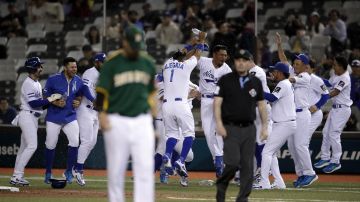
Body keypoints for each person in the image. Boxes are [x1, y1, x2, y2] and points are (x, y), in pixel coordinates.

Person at [95, 26, 157, 202]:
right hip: (117, 120)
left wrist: (153, 121)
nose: (136, 49)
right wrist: (102, 115)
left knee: (145, 168)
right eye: (132, 45)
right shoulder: (112, 63)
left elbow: (153, 93)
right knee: (116, 170)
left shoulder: (147, 62)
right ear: (124, 43)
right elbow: (101, 93)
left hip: (142, 120)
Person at [214, 50, 268, 202]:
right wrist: (218, 123)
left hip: (250, 128)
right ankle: (222, 185)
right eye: (238, 60)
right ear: (234, 62)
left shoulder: (255, 82)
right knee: (231, 163)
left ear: (249, 63)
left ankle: (242, 198)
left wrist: (264, 126)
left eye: (244, 60)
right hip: (230, 128)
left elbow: (262, 105)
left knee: (247, 166)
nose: (241, 63)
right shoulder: (225, 80)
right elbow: (217, 103)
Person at [9, 57, 61, 186]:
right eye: (39, 66)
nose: (41, 68)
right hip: (27, 116)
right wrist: (50, 99)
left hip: (33, 117)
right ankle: (17, 175)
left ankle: (16, 176)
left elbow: (40, 105)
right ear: (33, 68)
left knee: (23, 148)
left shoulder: (37, 83)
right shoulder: (28, 83)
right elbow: (33, 103)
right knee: (32, 145)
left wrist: (52, 102)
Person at [161, 32, 206, 180]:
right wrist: (201, 40)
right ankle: (180, 161)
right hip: (181, 104)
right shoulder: (186, 66)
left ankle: (167, 155)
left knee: (172, 135)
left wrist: (192, 44)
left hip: (166, 106)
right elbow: (197, 55)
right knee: (189, 134)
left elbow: (183, 52)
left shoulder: (166, 64)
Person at [43, 57, 94, 184]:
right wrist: (54, 102)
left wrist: (79, 100)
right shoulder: (53, 79)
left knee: (75, 142)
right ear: (65, 67)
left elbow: (82, 92)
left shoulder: (78, 80)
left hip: (70, 117)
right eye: (72, 67)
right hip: (54, 117)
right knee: (50, 144)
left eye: (75, 67)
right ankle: (48, 172)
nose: (74, 69)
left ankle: (68, 172)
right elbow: (45, 95)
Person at [276, 32, 318, 187]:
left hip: (302, 114)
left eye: (298, 63)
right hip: (293, 116)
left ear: (305, 66)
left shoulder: (306, 76)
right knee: (292, 147)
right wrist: (280, 46)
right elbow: (283, 60)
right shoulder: (294, 71)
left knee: (300, 145)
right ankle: (301, 174)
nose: (294, 65)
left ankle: (310, 173)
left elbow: (292, 79)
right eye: (295, 63)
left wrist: (284, 79)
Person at [256, 62, 296, 190]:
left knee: (266, 152)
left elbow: (272, 97)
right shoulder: (284, 84)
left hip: (284, 123)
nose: (273, 73)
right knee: (271, 153)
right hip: (283, 123)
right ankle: (279, 182)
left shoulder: (283, 84)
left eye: (275, 71)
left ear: (280, 72)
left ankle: (264, 183)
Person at [154, 73, 198, 186]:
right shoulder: (164, 85)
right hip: (165, 121)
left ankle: (175, 169)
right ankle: (150, 174)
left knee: (189, 156)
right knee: (162, 149)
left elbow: (199, 92)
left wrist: (197, 93)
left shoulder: (187, 83)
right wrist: (187, 95)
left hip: (181, 122)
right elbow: (162, 98)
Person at [196, 44, 232, 178]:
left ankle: (219, 159)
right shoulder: (204, 62)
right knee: (208, 133)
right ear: (215, 54)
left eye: (225, 55)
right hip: (205, 100)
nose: (224, 57)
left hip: (219, 100)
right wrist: (199, 43)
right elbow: (191, 59)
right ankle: (217, 160)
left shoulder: (227, 69)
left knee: (218, 131)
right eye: (222, 54)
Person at [72, 53, 106, 186]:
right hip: (85, 109)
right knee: (86, 141)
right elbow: (85, 88)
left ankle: (75, 167)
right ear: (97, 62)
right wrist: (94, 100)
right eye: (102, 62)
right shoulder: (90, 72)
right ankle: (79, 170)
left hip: (95, 112)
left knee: (92, 143)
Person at [313, 56, 352, 173]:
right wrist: (315, 78)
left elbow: (335, 92)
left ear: (341, 66)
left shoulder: (345, 77)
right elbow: (328, 84)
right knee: (326, 132)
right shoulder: (336, 75)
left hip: (343, 109)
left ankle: (335, 161)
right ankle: (325, 158)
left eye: (335, 65)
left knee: (334, 134)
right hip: (335, 109)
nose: (333, 66)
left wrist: (322, 98)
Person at [308, 60, 330, 139]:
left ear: (312, 69)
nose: (305, 69)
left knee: (303, 140)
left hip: (314, 114)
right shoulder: (298, 78)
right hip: (303, 114)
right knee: (295, 141)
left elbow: (326, 95)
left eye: (307, 67)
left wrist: (317, 106)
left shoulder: (316, 80)